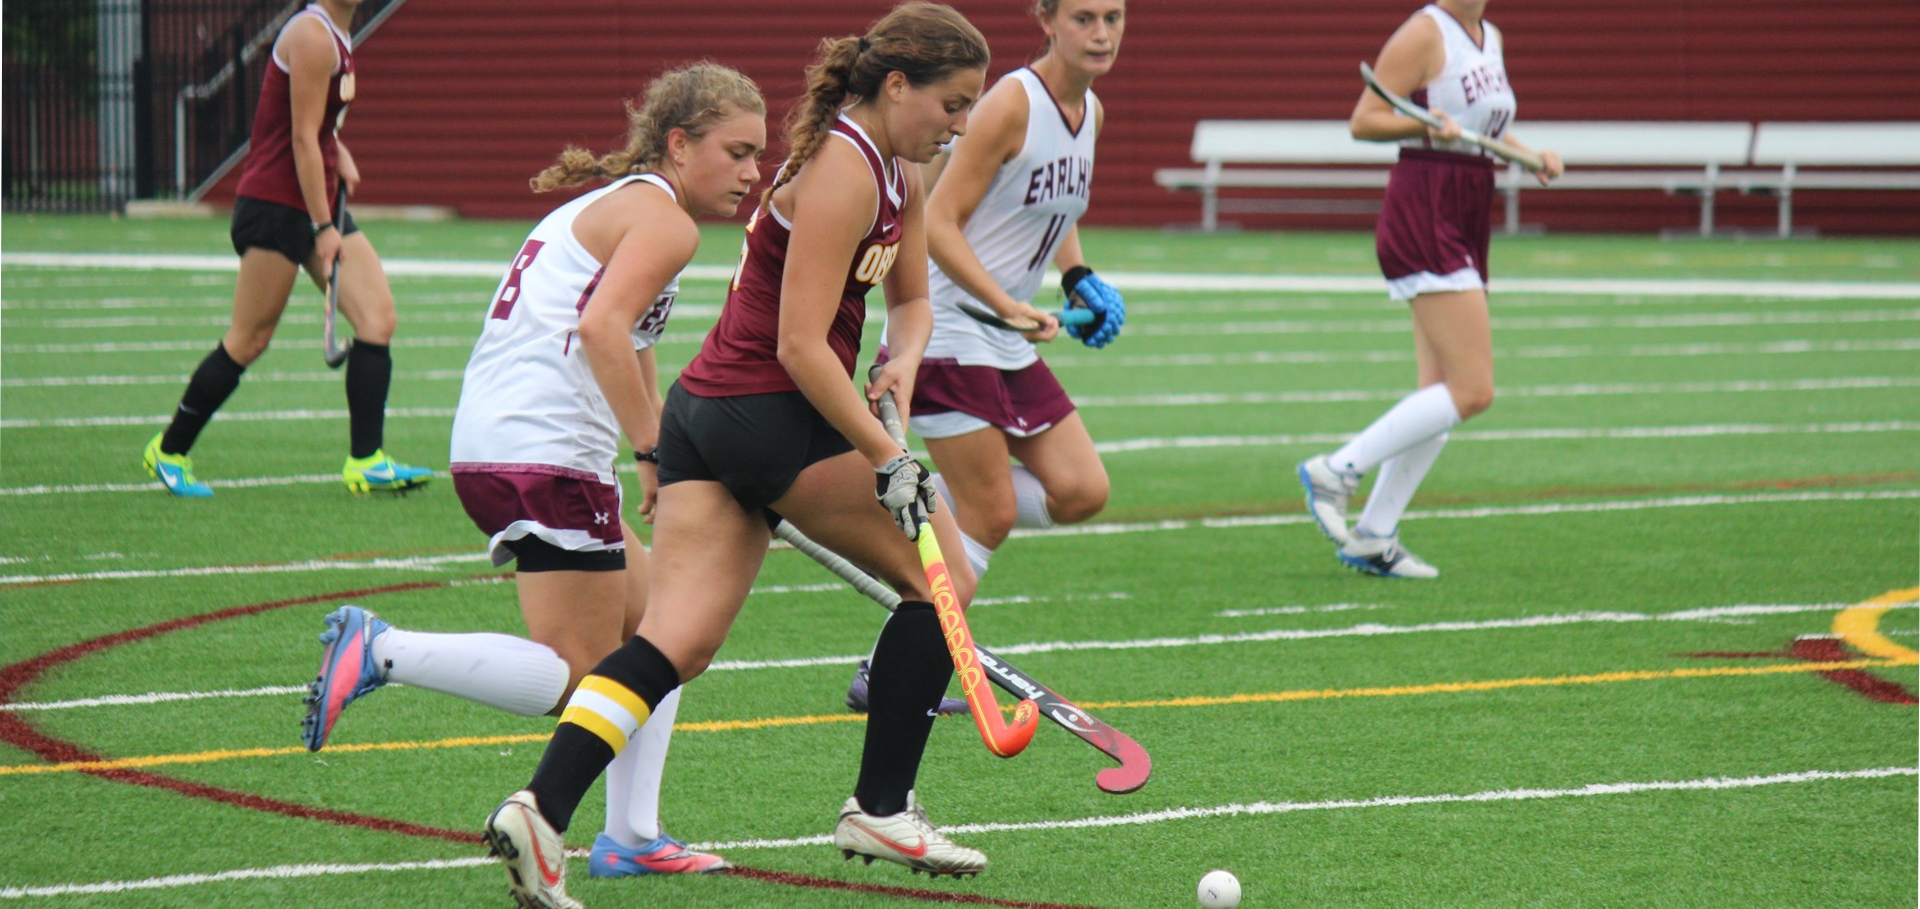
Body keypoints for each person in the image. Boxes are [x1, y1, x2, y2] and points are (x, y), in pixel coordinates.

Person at [478, 5, 992, 906]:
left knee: (675, 642)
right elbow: (798, 345)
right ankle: (881, 805)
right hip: (770, 412)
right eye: (951, 103)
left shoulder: (906, 170)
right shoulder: (843, 167)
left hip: (709, 416)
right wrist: (885, 452)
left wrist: (897, 364)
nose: (959, 122)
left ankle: (540, 809)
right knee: (942, 567)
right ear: (898, 84)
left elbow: (910, 303)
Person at [300, 63, 765, 879]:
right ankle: (383, 649)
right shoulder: (665, 223)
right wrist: (656, 448)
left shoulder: (626, 205)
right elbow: (601, 329)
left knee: (664, 626)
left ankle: (631, 836)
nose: (753, 173)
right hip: (541, 450)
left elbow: (638, 341)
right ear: (680, 143)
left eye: (759, 155)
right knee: (592, 679)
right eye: (737, 152)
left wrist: (652, 461)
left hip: (517, 442)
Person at [845, 0, 1128, 714]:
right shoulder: (1009, 104)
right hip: (949, 329)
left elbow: (1057, 210)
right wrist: (1004, 303)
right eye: (1084, 18)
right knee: (992, 510)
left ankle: (928, 499)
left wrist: (1076, 276)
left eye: (1114, 18)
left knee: (1081, 489)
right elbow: (937, 221)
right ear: (1046, 20)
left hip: (1003, 335)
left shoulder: (1088, 113)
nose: (1100, 34)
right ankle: (886, 666)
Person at [1296, 0, 1561, 578]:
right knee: (1473, 390)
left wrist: (1529, 153)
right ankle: (1336, 470)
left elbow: (1483, 126)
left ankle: (1375, 533)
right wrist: (1423, 124)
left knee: (1437, 391)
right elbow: (1365, 120)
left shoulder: (1488, 35)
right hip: (1426, 204)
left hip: (1468, 201)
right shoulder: (1424, 32)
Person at [141, 0, 430, 497]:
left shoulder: (339, 32)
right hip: (278, 205)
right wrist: (323, 226)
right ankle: (168, 451)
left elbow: (313, 127)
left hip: (312, 199)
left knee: (377, 318)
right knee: (249, 339)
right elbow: (298, 138)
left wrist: (339, 155)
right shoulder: (314, 36)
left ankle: (366, 460)